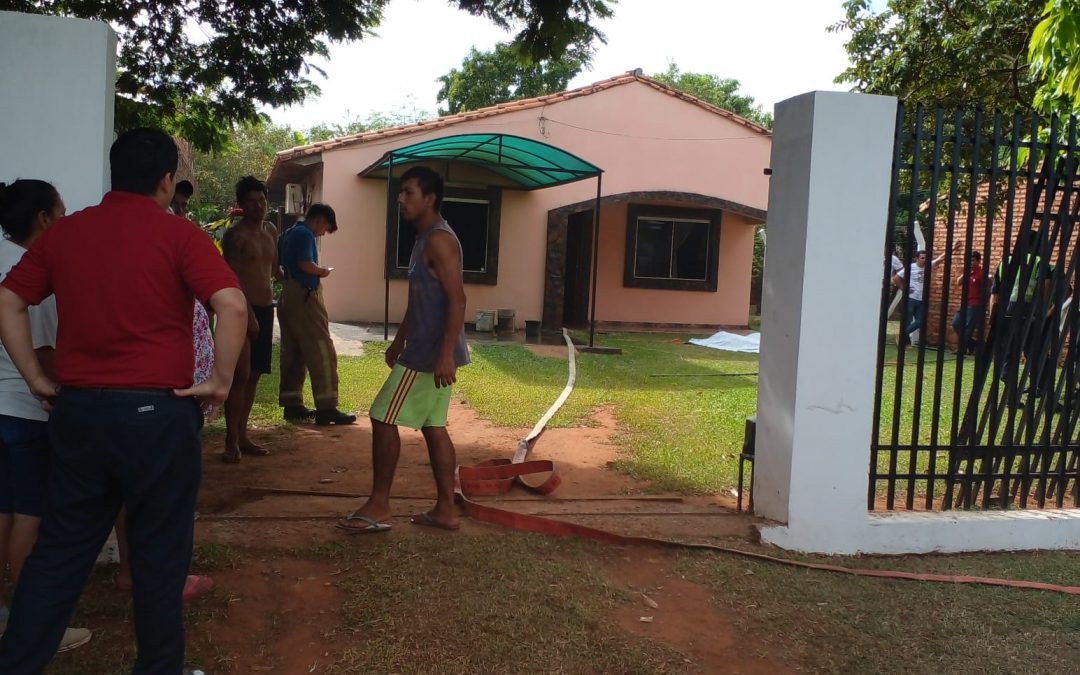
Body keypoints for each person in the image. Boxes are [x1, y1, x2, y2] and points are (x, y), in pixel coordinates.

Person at [0, 128, 247, 673]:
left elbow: (8, 300)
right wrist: (220, 382)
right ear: (165, 180)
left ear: (115, 173)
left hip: (80, 413)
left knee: (60, 554)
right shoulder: (179, 236)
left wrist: (40, 381)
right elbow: (231, 305)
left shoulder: (67, 234)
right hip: (158, 415)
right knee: (160, 555)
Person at [340, 166, 469, 534]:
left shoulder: (439, 240)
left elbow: (457, 298)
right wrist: (399, 339)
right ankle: (445, 510)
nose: (401, 199)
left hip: (430, 354)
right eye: (400, 192)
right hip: (424, 346)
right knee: (434, 427)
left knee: (382, 416)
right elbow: (421, 299)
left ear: (430, 198)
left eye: (408, 192)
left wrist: (444, 354)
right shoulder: (422, 237)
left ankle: (380, 504)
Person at [0, 180, 90, 654]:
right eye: (62, 209)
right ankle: (34, 631)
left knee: (4, 514)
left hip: (2, 411)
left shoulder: (7, 266)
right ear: (44, 219)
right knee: (31, 520)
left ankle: (6, 618)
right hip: (28, 414)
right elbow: (45, 354)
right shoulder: (39, 275)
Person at [277, 203, 355, 425]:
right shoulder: (305, 234)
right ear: (319, 220)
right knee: (321, 348)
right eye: (326, 228)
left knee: (293, 350)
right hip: (305, 297)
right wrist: (323, 271)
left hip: (288, 294)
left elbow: (277, 265)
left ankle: (292, 404)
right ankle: (327, 406)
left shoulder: (288, 233)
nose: (323, 233)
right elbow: (305, 264)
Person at [221, 176, 280, 462]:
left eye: (262, 200)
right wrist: (250, 315)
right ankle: (230, 439)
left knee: (255, 374)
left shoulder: (271, 230)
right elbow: (231, 277)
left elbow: (273, 270)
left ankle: (243, 435)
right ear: (241, 205)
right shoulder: (235, 236)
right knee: (240, 375)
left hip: (267, 307)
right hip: (241, 310)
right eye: (251, 202)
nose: (258, 206)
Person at [893, 245, 953, 347]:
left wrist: (953, 248)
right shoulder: (911, 267)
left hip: (921, 299)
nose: (924, 260)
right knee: (907, 321)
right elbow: (896, 278)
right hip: (911, 298)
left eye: (926, 258)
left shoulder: (928, 266)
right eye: (922, 258)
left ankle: (901, 335)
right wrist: (904, 289)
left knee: (920, 321)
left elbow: (941, 258)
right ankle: (905, 342)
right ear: (917, 258)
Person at [951, 250, 986, 354]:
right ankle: (972, 344)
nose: (970, 263)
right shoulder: (967, 272)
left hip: (975, 304)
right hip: (965, 303)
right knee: (956, 323)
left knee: (968, 327)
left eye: (973, 261)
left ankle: (962, 349)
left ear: (979, 261)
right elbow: (958, 282)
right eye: (969, 261)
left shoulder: (981, 273)